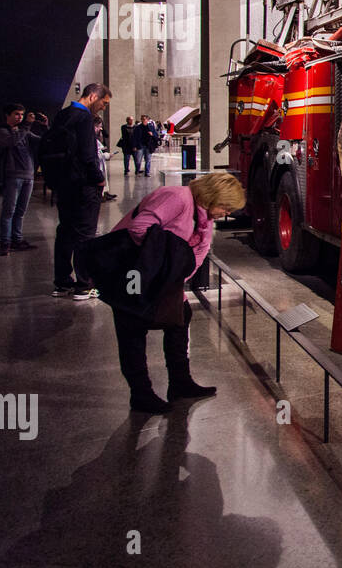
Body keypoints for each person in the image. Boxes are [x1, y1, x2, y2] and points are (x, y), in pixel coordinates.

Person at [101, 173, 247, 413]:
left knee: (181, 319)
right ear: (213, 196)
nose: (225, 213)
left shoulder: (204, 217)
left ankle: (180, 382)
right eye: (225, 206)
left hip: (163, 280)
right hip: (133, 274)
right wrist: (167, 264)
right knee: (132, 332)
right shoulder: (177, 198)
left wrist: (175, 279)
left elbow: (199, 252)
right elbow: (139, 229)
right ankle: (141, 394)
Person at [49, 83, 110, 299]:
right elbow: (87, 155)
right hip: (84, 186)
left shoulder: (63, 114)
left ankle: (62, 282)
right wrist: (99, 179)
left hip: (64, 184)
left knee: (65, 231)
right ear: (93, 96)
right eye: (103, 103)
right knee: (85, 234)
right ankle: (84, 285)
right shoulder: (84, 117)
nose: (102, 108)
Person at [0, 104, 42, 256]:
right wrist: (27, 125)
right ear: (7, 115)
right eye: (16, 114)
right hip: (13, 176)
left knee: (21, 211)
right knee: (9, 211)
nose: (20, 117)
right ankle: (5, 243)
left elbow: (41, 141)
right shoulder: (3, 131)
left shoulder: (25, 132)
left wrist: (46, 127)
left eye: (22, 115)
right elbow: (11, 142)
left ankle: (17, 239)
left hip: (28, 175)